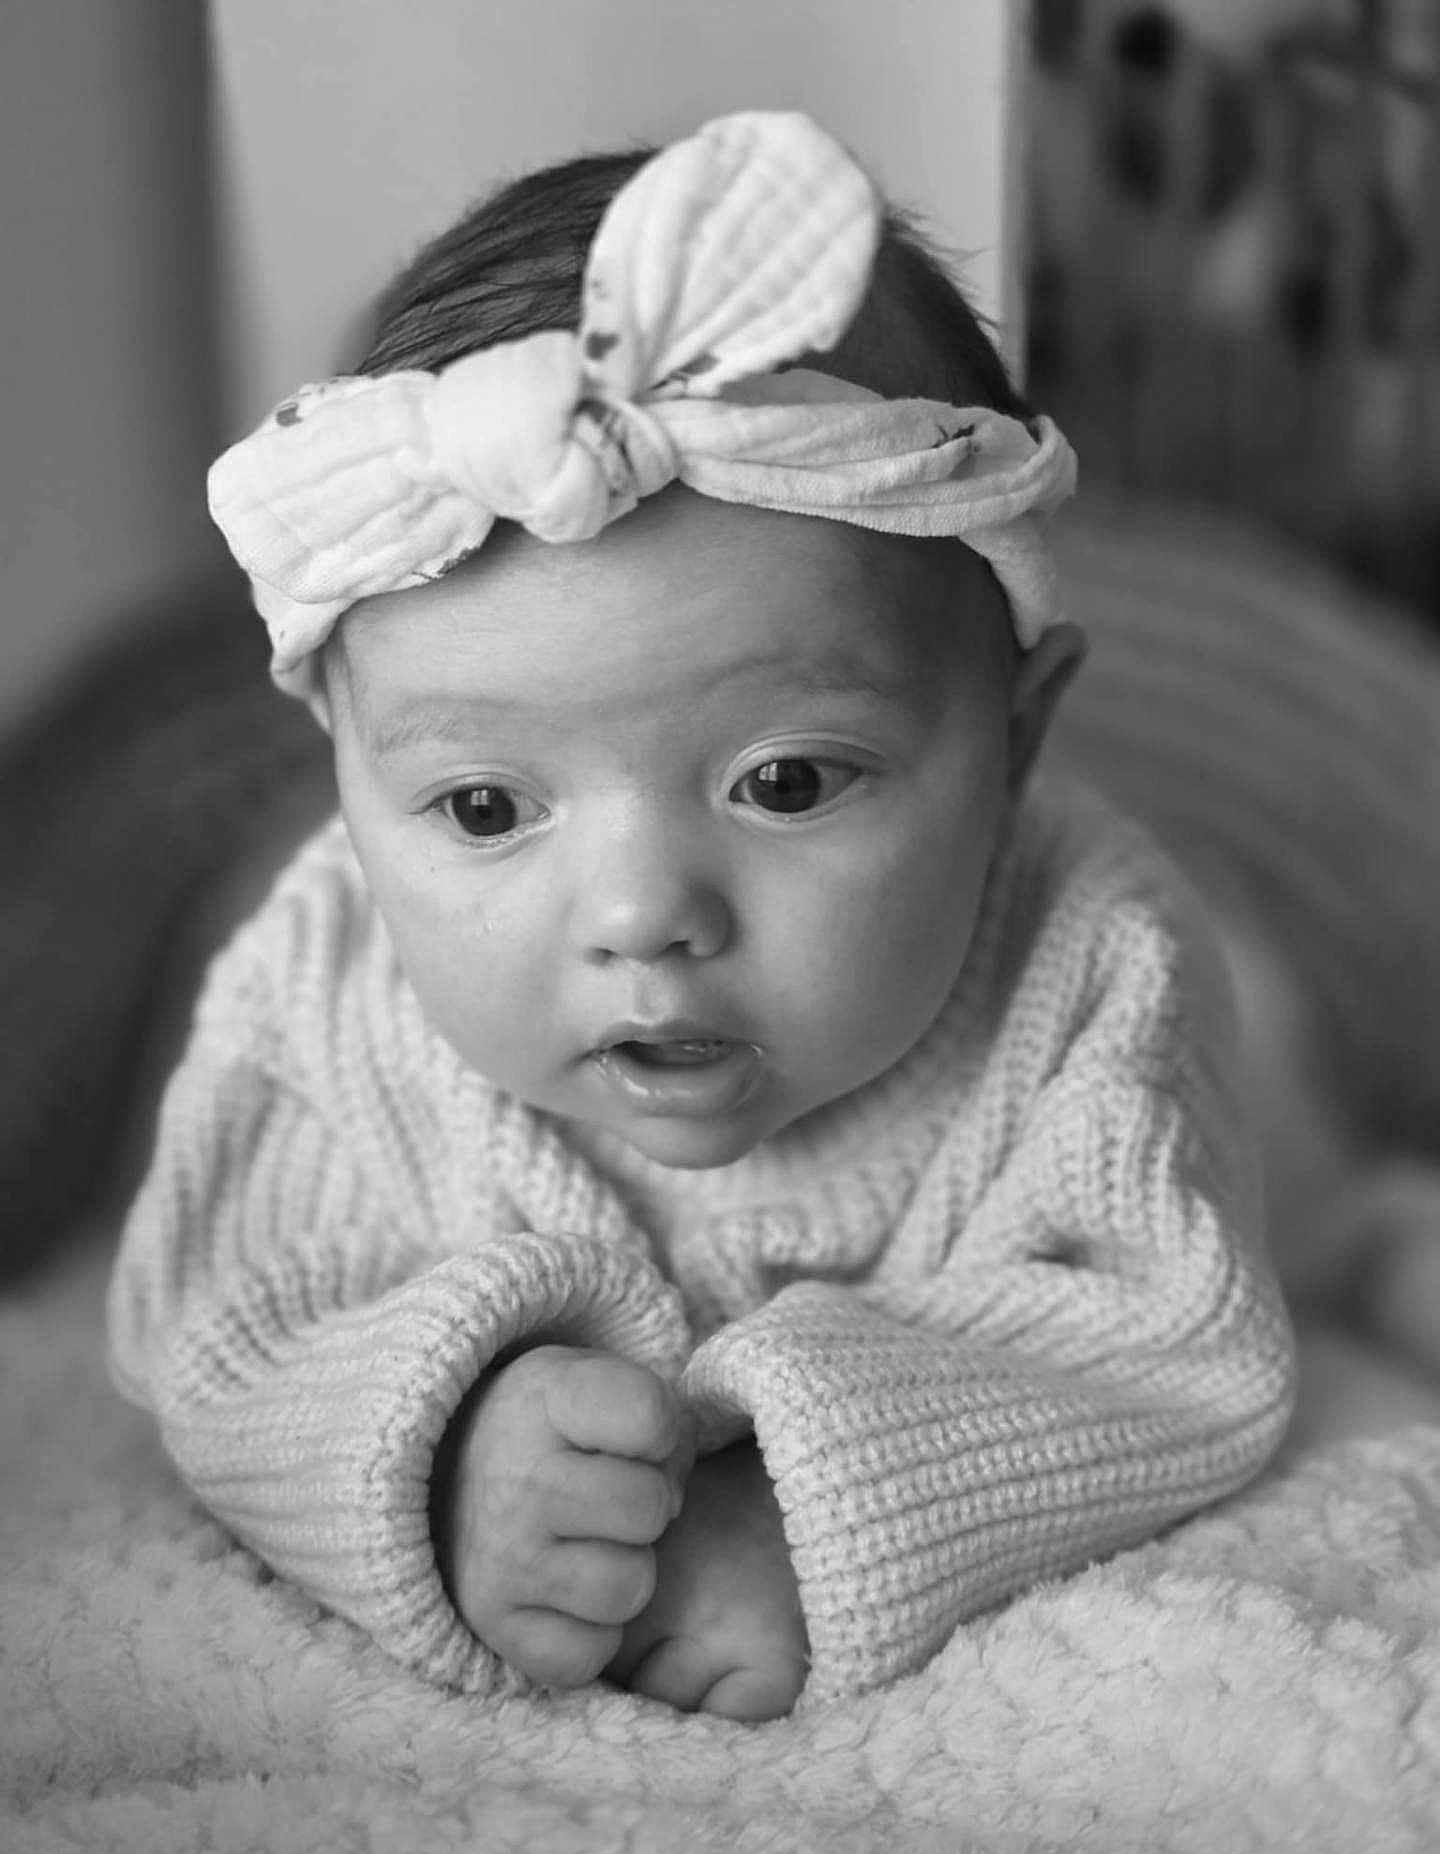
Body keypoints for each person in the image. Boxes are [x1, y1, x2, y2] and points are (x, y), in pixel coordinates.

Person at [109, 111, 1296, 1724]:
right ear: (347, 778)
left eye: (789, 783)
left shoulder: (1087, 967)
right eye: (481, 808)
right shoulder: (323, 991)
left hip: (1250, 1045)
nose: (641, 914)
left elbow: (1166, 1349)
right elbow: (224, 1328)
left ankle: (1355, 1204)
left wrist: (813, 1501)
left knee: (1293, 1095)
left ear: (1014, 740)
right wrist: (440, 1447)